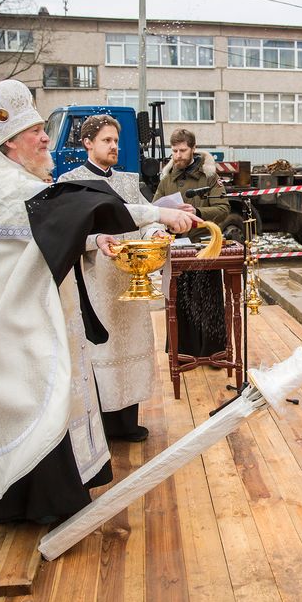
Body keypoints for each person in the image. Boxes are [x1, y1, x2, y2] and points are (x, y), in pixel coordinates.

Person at [0, 79, 195, 525]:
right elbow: (74, 210)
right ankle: (39, 503)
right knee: (31, 403)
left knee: (44, 402)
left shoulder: (10, 180)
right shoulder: (8, 186)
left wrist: (104, 235)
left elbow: (58, 227)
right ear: (10, 143)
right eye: (35, 132)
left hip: (29, 315)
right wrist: (159, 213)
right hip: (16, 325)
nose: (45, 138)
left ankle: (40, 499)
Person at [59, 114, 181, 443]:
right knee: (101, 351)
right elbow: (66, 233)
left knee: (133, 344)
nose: (114, 146)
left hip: (132, 281)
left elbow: (147, 218)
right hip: (95, 281)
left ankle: (127, 424)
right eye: (106, 140)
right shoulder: (72, 182)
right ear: (87, 143)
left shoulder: (127, 182)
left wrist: (156, 233)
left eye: (116, 140)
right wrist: (94, 241)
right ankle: (100, 427)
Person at [152, 128, 230, 357]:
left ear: (193, 149)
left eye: (183, 150)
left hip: (204, 248)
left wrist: (197, 212)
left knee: (207, 300)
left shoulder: (209, 176)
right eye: (174, 150)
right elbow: (154, 210)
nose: (178, 155)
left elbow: (224, 209)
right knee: (179, 302)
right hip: (177, 249)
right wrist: (166, 217)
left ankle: (212, 352)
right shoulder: (167, 179)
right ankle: (182, 352)